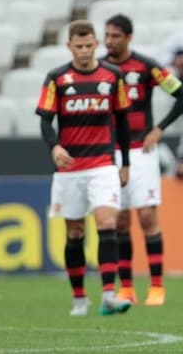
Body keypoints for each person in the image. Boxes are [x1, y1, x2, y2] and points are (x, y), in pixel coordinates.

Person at [35, 20, 133, 317]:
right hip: (70, 168)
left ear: (96, 44)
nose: (84, 51)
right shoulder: (57, 78)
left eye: (89, 45)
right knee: (75, 232)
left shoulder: (113, 76)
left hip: (103, 163)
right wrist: (54, 146)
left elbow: (123, 121)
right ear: (69, 47)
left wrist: (125, 162)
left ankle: (108, 295)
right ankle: (79, 297)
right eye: (79, 46)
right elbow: (45, 120)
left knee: (107, 222)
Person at [103, 14, 183, 306]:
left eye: (115, 36)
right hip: (110, 152)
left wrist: (159, 129)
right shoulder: (99, 70)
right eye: (107, 35)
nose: (109, 41)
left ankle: (156, 286)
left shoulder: (146, 66)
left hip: (142, 150)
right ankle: (126, 287)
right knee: (119, 220)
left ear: (129, 37)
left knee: (147, 216)